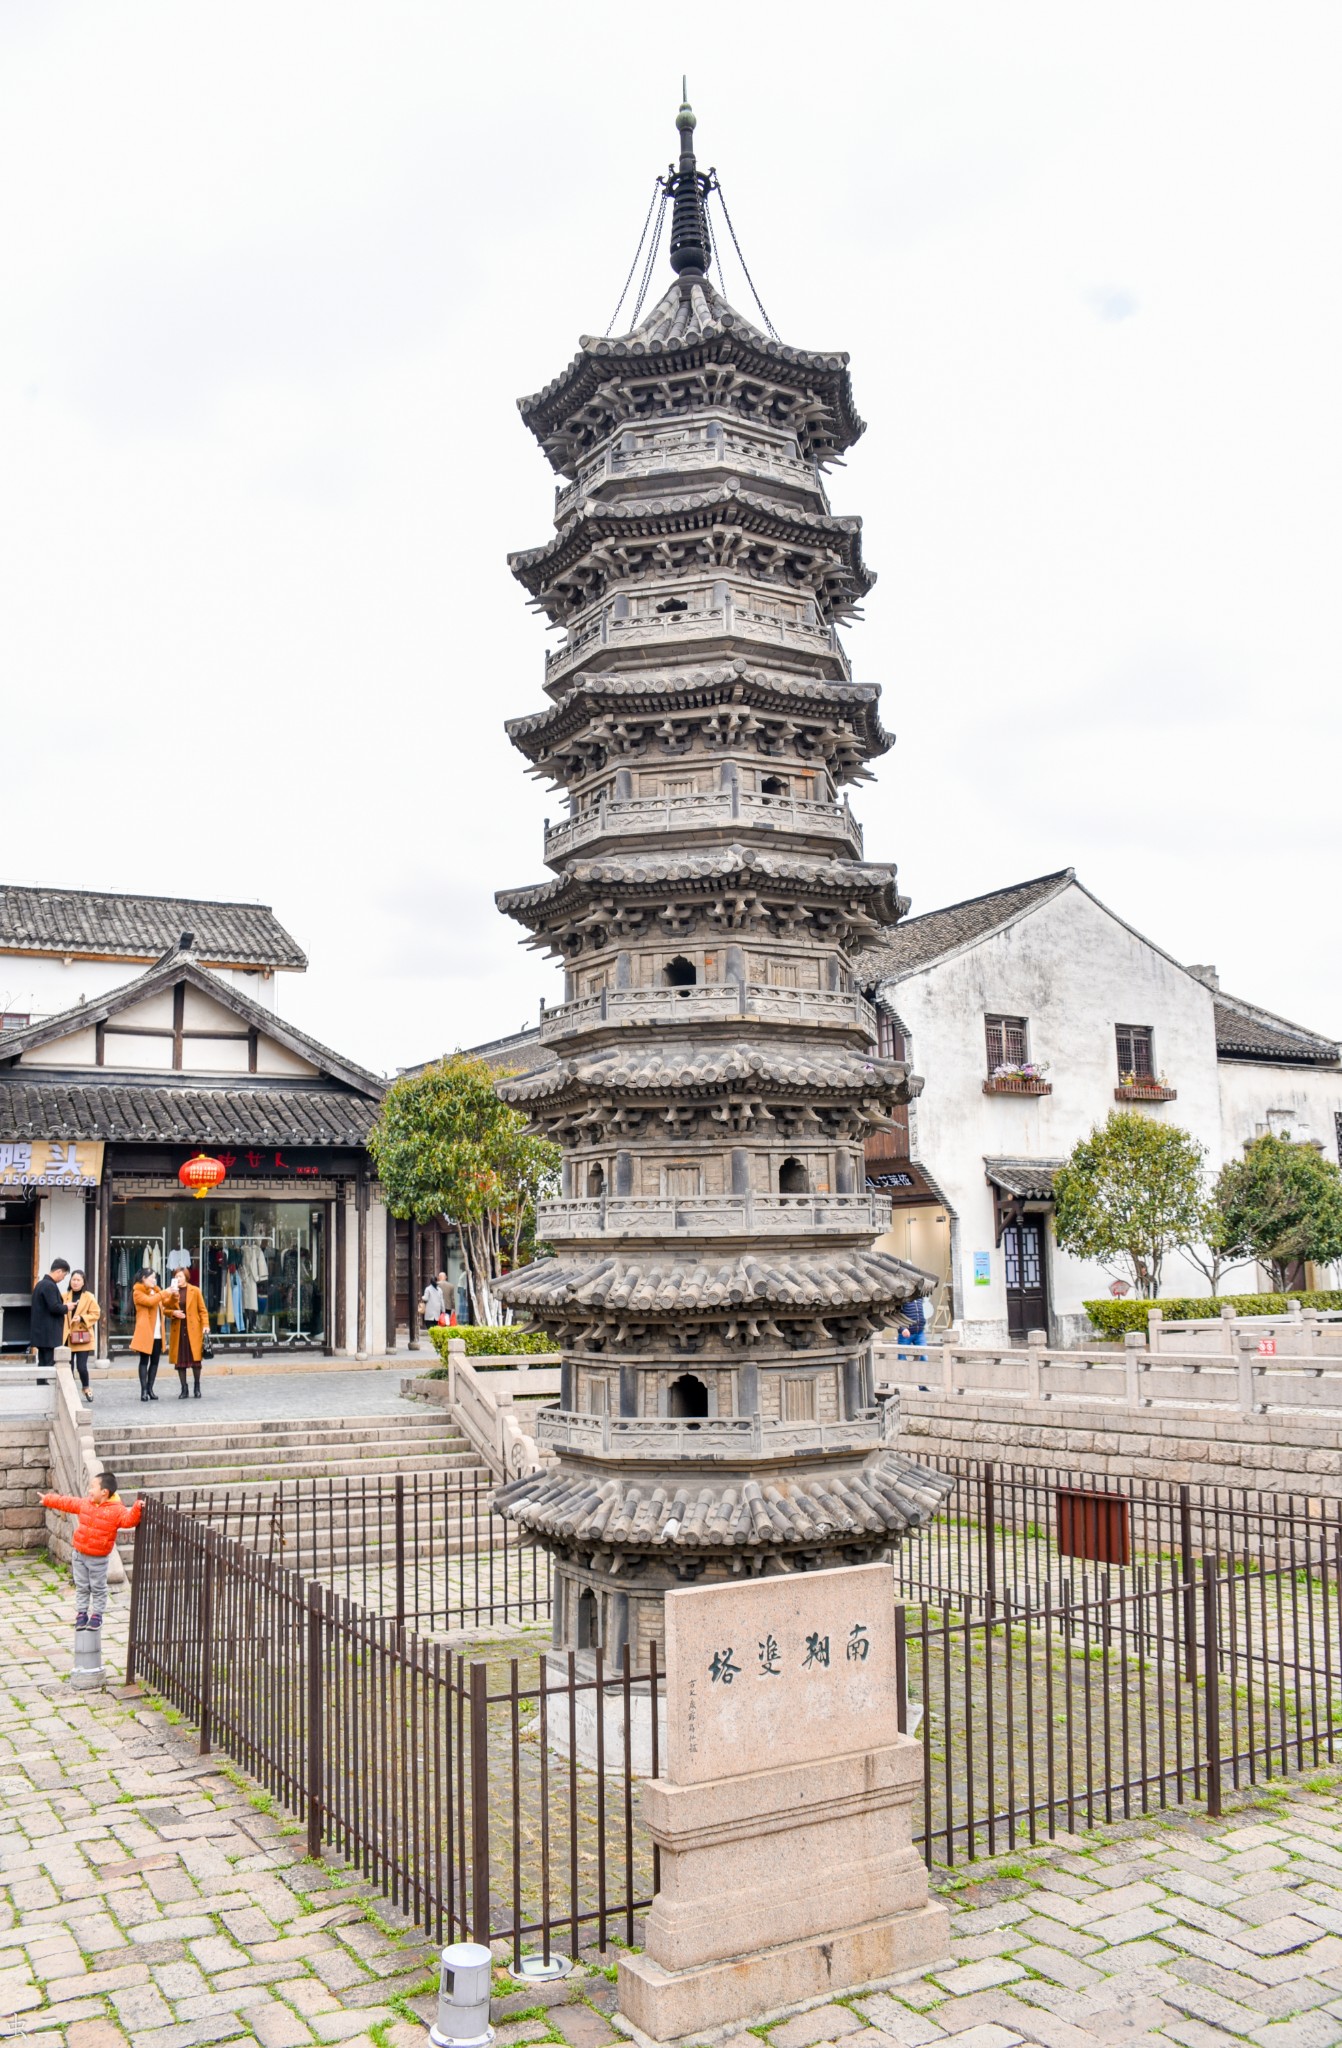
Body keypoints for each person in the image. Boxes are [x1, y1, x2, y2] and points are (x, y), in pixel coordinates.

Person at [40, 1469, 142, 1632]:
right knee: (81, 1586)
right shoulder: (86, 1503)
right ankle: (81, 1614)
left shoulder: (117, 1510)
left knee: (98, 1587)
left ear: (104, 1492)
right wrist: (48, 1499)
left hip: (98, 1559)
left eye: (92, 1487)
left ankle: (97, 1615)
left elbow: (129, 1520)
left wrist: (137, 1508)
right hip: (79, 1555)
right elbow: (67, 1502)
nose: (89, 1490)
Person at [130, 1271, 176, 1403]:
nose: (154, 1280)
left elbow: (167, 1303)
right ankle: (143, 1390)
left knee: (155, 1362)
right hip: (145, 1331)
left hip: (158, 1332)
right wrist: (164, 1292)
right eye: (152, 1278)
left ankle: (150, 1389)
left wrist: (174, 1294)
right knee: (144, 1361)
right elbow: (150, 1302)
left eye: (155, 1278)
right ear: (144, 1278)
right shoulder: (137, 1292)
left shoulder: (157, 1291)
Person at [166, 1267, 210, 1399]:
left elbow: (202, 1310)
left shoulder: (195, 1290)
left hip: (193, 1330)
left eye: (180, 1276)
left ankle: (197, 1386)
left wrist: (205, 1325)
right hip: (179, 1329)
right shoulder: (172, 1292)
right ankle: (184, 1388)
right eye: (176, 1277)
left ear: (186, 1277)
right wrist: (173, 1312)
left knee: (196, 1361)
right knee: (180, 1362)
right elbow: (165, 1308)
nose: (178, 1279)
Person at [63, 1270, 101, 1403]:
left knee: (81, 1366)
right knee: (69, 1367)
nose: (75, 1282)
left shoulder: (89, 1296)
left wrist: (82, 1318)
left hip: (82, 1336)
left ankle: (86, 1387)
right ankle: (70, 1391)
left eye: (78, 1280)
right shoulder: (65, 1296)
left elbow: (96, 1314)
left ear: (83, 1282)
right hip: (68, 1336)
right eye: (73, 1279)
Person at [30, 1258, 70, 1370]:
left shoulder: (40, 1284)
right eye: (64, 1275)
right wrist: (67, 1307)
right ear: (59, 1271)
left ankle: (41, 1384)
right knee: (48, 1363)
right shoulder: (49, 1285)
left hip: (41, 1333)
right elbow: (54, 1307)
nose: (63, 1278)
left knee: (42, 1362)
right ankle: (44, 1385)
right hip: (49, 1334)